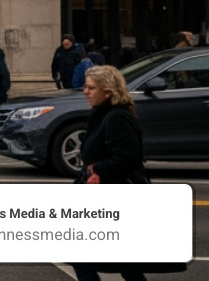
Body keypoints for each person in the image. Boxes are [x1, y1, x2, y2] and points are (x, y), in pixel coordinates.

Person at [68, 65, 184, 281]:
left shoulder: (117, 117)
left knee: (83, 258)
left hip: (117, 199)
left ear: (108, 91)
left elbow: (128, 157)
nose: (85, 91)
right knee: (125, 263)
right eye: (86, 86)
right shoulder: (102, 114)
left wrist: (99, 171)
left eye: (91, 87)